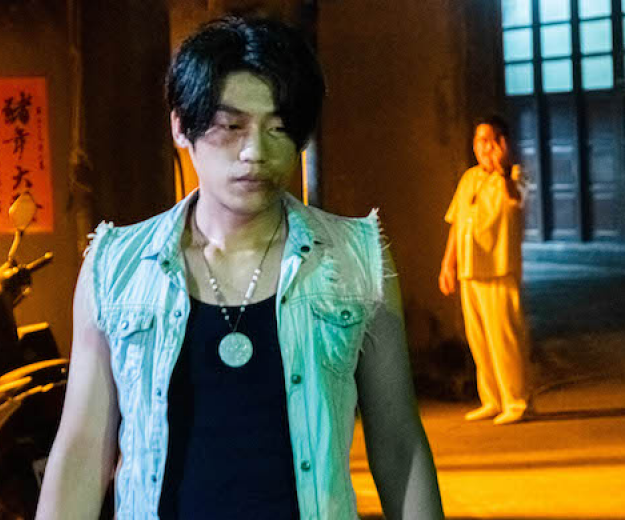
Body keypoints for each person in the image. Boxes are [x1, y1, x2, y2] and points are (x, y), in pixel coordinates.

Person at [36, 16, 443, 520]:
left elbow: (399, 444)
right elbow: (81, 448)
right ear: (180, 126)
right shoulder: (117, 267)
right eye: (231, 127)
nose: (255, 152)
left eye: (279, 128)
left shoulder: (356, 258)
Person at [438, 115, 531, 426]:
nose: (483, 147)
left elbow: (515, 200)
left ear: (503, 144)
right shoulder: (469, 178)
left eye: (490, 141)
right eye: (479, 141)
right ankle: (492, 399)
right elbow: (456, 223)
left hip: (499, 268)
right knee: (479, 340)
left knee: (505, 338)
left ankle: (516, 401)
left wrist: (502, 171)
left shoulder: (516, 175)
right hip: (470, 269)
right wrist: (448, 264)